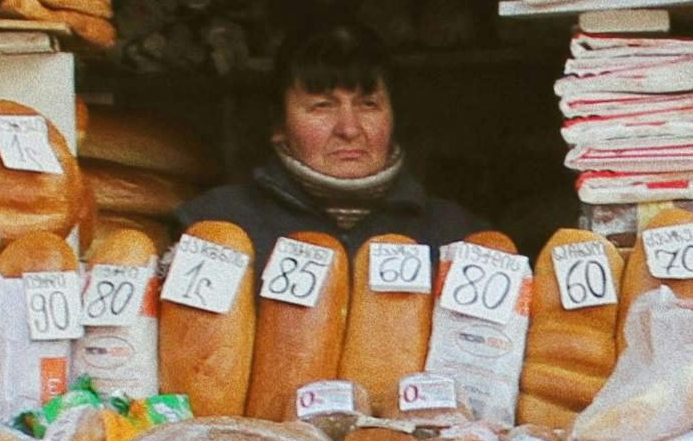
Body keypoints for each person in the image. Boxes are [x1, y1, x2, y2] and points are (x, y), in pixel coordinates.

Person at [176, 22, 477, 261]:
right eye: (322, 106)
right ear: (278, 124)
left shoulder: (458, 237)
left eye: (368, 105)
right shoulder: (211, 228)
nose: (349, 129)